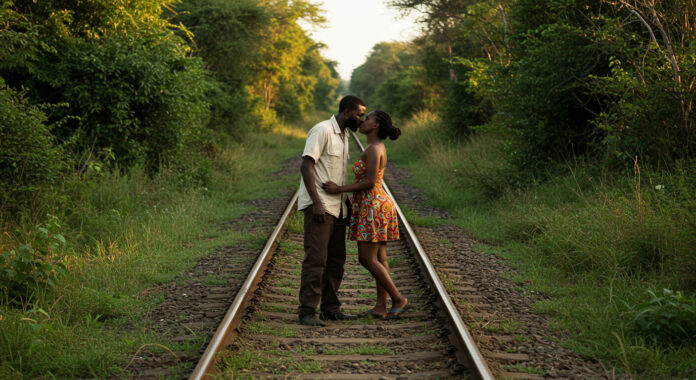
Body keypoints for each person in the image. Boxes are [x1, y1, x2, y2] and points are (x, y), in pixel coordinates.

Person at [322, 110, 408, 320]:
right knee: (380, 257)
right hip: (376, 203)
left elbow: (369, 181)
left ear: (376, 125)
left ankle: (398, 299)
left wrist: (339, 189)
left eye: (367, 119)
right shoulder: (376, 147)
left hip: (373, 205)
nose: (362, 121)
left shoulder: (372, 149)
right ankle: (380, 307)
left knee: (366, 258)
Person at [297, 95, 366, 326]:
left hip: (338, 208)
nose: (361, 118)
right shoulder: (322, 130)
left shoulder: (345, 135)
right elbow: (306, 165)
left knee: (336, 259)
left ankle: (330, 308)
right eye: (359, 114)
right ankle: (307, 311)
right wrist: (316, 202)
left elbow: (336, 172)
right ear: (346, 112)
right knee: (317, 259)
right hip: (321, 205)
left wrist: (346, 203)